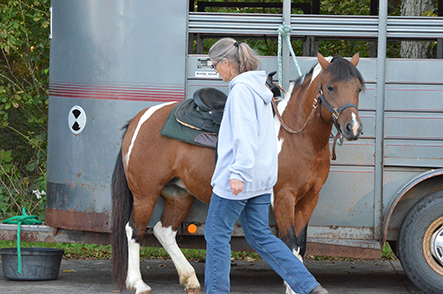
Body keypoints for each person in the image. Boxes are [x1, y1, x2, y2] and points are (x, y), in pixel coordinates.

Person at [204, 37, 329, 294]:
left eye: (215, 65)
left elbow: (245, 135)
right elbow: (265, 138)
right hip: (261, 180)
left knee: (216, 235)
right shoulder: (260, 89)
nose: (216, 72)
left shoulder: (240, 90)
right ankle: (309, 286)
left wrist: (238, 173)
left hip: (238, 180)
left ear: (226, 62)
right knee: (260, 236)